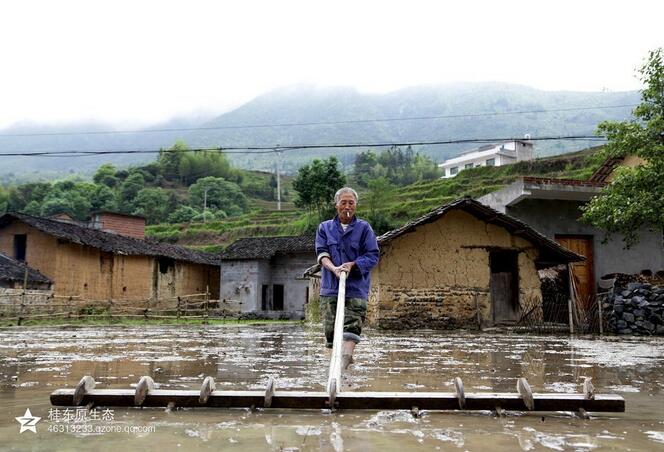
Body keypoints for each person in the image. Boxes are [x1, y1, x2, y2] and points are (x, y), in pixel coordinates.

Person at [315, 187, 379, 369]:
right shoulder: (324, 228)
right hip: (331, 288)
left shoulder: (364, 228)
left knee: (352, 326)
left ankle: (344, 361)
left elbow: (372, 255)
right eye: (343, 202)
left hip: (356, 287)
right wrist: (333, 268)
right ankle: (335, 364)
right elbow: (322, 253)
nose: (347, 206)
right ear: (336, 205)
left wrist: (353, 265)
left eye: (351, 203)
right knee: (331, 331)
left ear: (356, 206)